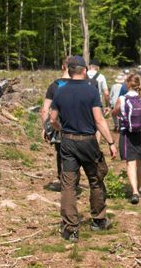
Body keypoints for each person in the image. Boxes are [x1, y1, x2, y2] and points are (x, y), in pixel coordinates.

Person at [48, 55, 118, 242]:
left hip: (68, 142)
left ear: (69, 70)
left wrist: (61, 130)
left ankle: (71, 229)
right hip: (88, 142)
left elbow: (52, 119)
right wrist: (111, 142)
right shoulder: (91, 91)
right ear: (85, 70)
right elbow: (99, 120)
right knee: (95, 179)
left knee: (69, 185)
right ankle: (98, 219)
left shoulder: (60, 92)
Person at [114, 73, 141, 204]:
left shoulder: (122, 99)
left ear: (127, 84)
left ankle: (134, 192)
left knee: (130, 163)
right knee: (140, 162)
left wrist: (116, 113)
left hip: (126, 134)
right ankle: (139, 188)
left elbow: (114, 112)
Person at [40, 56, 71, 192]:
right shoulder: (82, 85)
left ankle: (63, 179)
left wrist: (46, 127)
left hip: (57, 124)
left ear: (62, 67)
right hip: (77, 125)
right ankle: (72, 180)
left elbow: (45, 109)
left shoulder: (54, 86)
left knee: (60, 152)